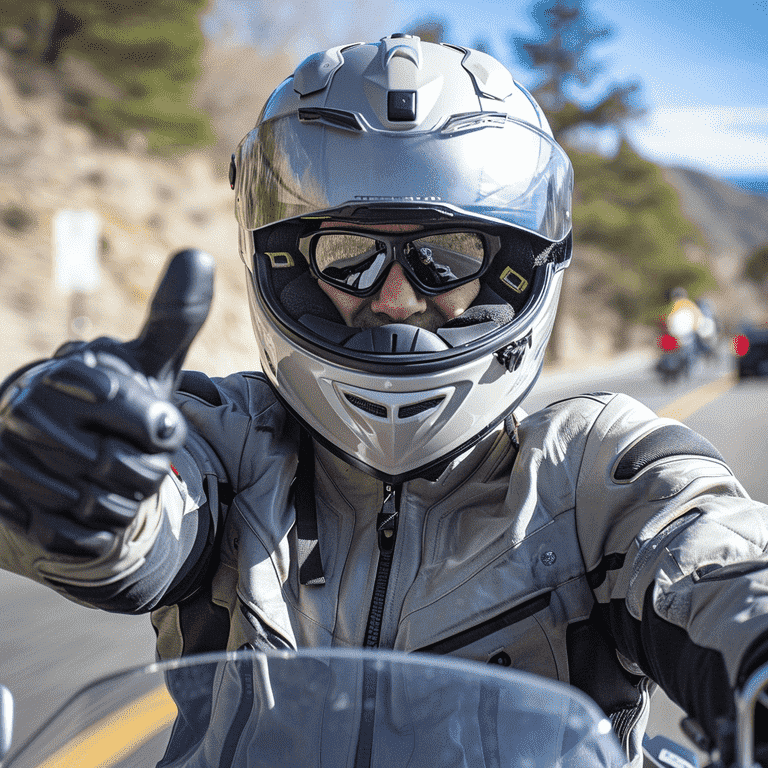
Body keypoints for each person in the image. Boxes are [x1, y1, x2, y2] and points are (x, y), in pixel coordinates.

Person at [0, 34, 766, 768]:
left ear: (512, 271)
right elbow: (141, 523)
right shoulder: (224, 440)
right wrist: (64, 469)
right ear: (286, 266)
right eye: (349, 256)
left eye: (445, 257)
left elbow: (717, 561)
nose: (396, 302)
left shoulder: (601, 472)